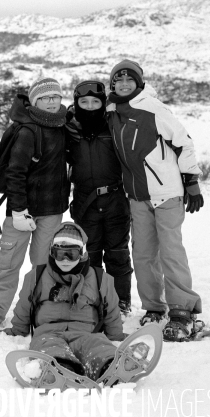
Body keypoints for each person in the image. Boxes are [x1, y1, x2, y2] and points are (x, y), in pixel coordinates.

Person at [106, 59, 206, 342]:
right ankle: (153, 306)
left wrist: (192, 181)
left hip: (167, 194)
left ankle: (182, 310)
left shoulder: (154, 109)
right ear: (113, 84)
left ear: (139, 83)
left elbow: (184, 141)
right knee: (143, 254)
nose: (124, 84)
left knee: (170, 251)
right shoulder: (111, 109)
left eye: (129, 80)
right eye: (118, 80)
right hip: (137, 196)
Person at [0, 78, 70, 324]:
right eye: (45, 97)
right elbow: (15, 172)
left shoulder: (63, 126)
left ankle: (38, 308)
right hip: (22, 210)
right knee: (9, 261)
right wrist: (19, 210)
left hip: (51, 211)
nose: (51, 102)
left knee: (43, 264)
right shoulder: (28, 131)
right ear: (35, 101)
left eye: (55, 97)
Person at [0, 222, 126, 381]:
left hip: (86, 334)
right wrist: (17, 330)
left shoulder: (100, 279)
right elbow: (24, 307)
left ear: (82, 253)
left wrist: (116, 336)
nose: (65, 260)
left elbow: (111, 311)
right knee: (49, 347)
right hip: (48, 334)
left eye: (71, 254)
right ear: (52, 252)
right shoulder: (36, 276)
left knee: (99, 346)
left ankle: (109, 368)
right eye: (60, 254)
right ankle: (60, 369)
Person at [65, 80, 133, 314]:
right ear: (76, 103)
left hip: (116, 200)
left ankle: (120, 302)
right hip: (85, 203)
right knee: (90, 256)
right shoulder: (69, 130)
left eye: (96, 101)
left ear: (103, 103)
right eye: (84, 102)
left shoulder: (114, 126)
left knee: (118, 254)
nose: (90, 106)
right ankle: (91, 300)